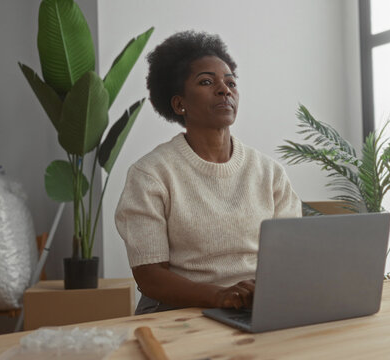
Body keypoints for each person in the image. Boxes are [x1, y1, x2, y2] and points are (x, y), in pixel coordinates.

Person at [115, 30, 302, 315]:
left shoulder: (269, 172)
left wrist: (258, 293)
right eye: (206, 82)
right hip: (177, 311)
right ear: (179, 104)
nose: (224, 90)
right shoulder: (150, 173)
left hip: (258, 306)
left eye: (231, 83)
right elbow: (150, 276)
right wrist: (220, 297)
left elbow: (290, 256)